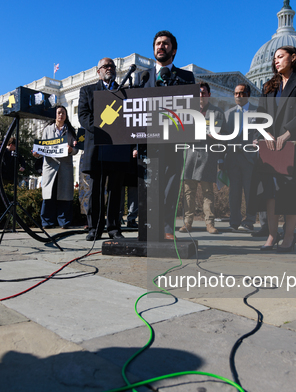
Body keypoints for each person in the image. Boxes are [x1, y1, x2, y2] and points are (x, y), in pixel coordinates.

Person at [133, 30, 195, 240]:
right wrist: (135, 143)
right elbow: (135, 113)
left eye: (165, 44)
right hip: (149, 143)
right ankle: (151, 227)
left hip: (174, 142)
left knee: (170, 187)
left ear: (174, 50)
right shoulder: (142, 77)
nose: (161, 47)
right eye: (158, 44)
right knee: (151, 188)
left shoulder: (186, 77)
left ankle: (168, 228)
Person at [255, 45, 296, 252]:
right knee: (271, 192)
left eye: (280, 56)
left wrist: (287, 132)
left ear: (293, 57)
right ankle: (272, 236)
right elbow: (259, 116)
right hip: (270, 145)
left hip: (292, 143)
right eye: (274, 58)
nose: (276, 60)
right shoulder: (268, 86)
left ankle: (289, 236)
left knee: (291, 191)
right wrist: (262, 136)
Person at [78, 57, 133, 241]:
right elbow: (83, 116)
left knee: (116, 190)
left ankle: (114, 228)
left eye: (111, 66)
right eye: (105, 66)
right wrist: (103, 126)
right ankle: (95, 228)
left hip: (118, 147)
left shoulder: (125, 91)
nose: (109, 68)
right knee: (96, 190)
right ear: (98, 71)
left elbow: (131, 117)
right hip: (97, 145)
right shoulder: (87, 90)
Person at [179, 82, 223, 235]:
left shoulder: (217, 112)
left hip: (207, 156)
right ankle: (187, 223)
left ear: (209, 95)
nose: (201, 95)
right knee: (188, 192)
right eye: (198, 92)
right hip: (189, 156)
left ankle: (210, 224)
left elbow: (216, 134)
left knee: (207, 193)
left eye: (204, 93)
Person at [223, 84, 261, 234]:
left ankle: (250, 221)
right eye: (236, 93)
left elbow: (261, 131)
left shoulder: (257, 112)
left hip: (249, 158)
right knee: (234, 192)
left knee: (250, 191)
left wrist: (257, 142)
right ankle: (234, 221)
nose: (238, 96)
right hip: (232, 157)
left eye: (241, 93)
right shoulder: (228, 114)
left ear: (248, 94)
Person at [34, 104, 78, 229]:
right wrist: (37, 153)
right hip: (50, 166)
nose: (61, 115)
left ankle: (64, 222)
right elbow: (42, 147)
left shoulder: (70, 130)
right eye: (59, 112)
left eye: (63, 113)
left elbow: (76, 149)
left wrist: (71, 150)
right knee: (49, 194)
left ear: (66, 115)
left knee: (64, 195)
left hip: (65, 166)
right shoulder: (47, 129)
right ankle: (47, 222)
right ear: (55, 115)